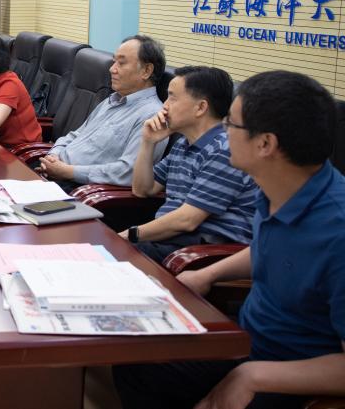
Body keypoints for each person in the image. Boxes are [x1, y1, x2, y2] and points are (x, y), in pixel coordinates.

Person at [114, 71, 345, 409]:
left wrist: (253, 376)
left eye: (231, 124)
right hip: (249, 340)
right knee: (137, 359)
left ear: (265, 144)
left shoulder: (336, 231)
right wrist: (206, 274)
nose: (222, 131)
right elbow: (268, 249)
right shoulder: (277, 188)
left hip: (294, 374)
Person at [119, 66, 257, 264]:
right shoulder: (184, 143)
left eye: (172, 98)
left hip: (201, 251)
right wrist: (148, 142)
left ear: (200, 108)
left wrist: (130, 235)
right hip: (172, 241)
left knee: (111, 254)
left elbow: (187, 220)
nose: (164, 105)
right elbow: (142, 190)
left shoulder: (224, 149)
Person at [40, 35, 166, 189]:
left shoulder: (152, 116)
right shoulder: (112, 100)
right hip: (55, 171)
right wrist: (53, 155)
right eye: (114, 61)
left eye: (121, 63)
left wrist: (68, 172)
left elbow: (127, 171)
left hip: (80, 187)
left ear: (146, 71)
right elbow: (76, 135)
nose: (112, 69)